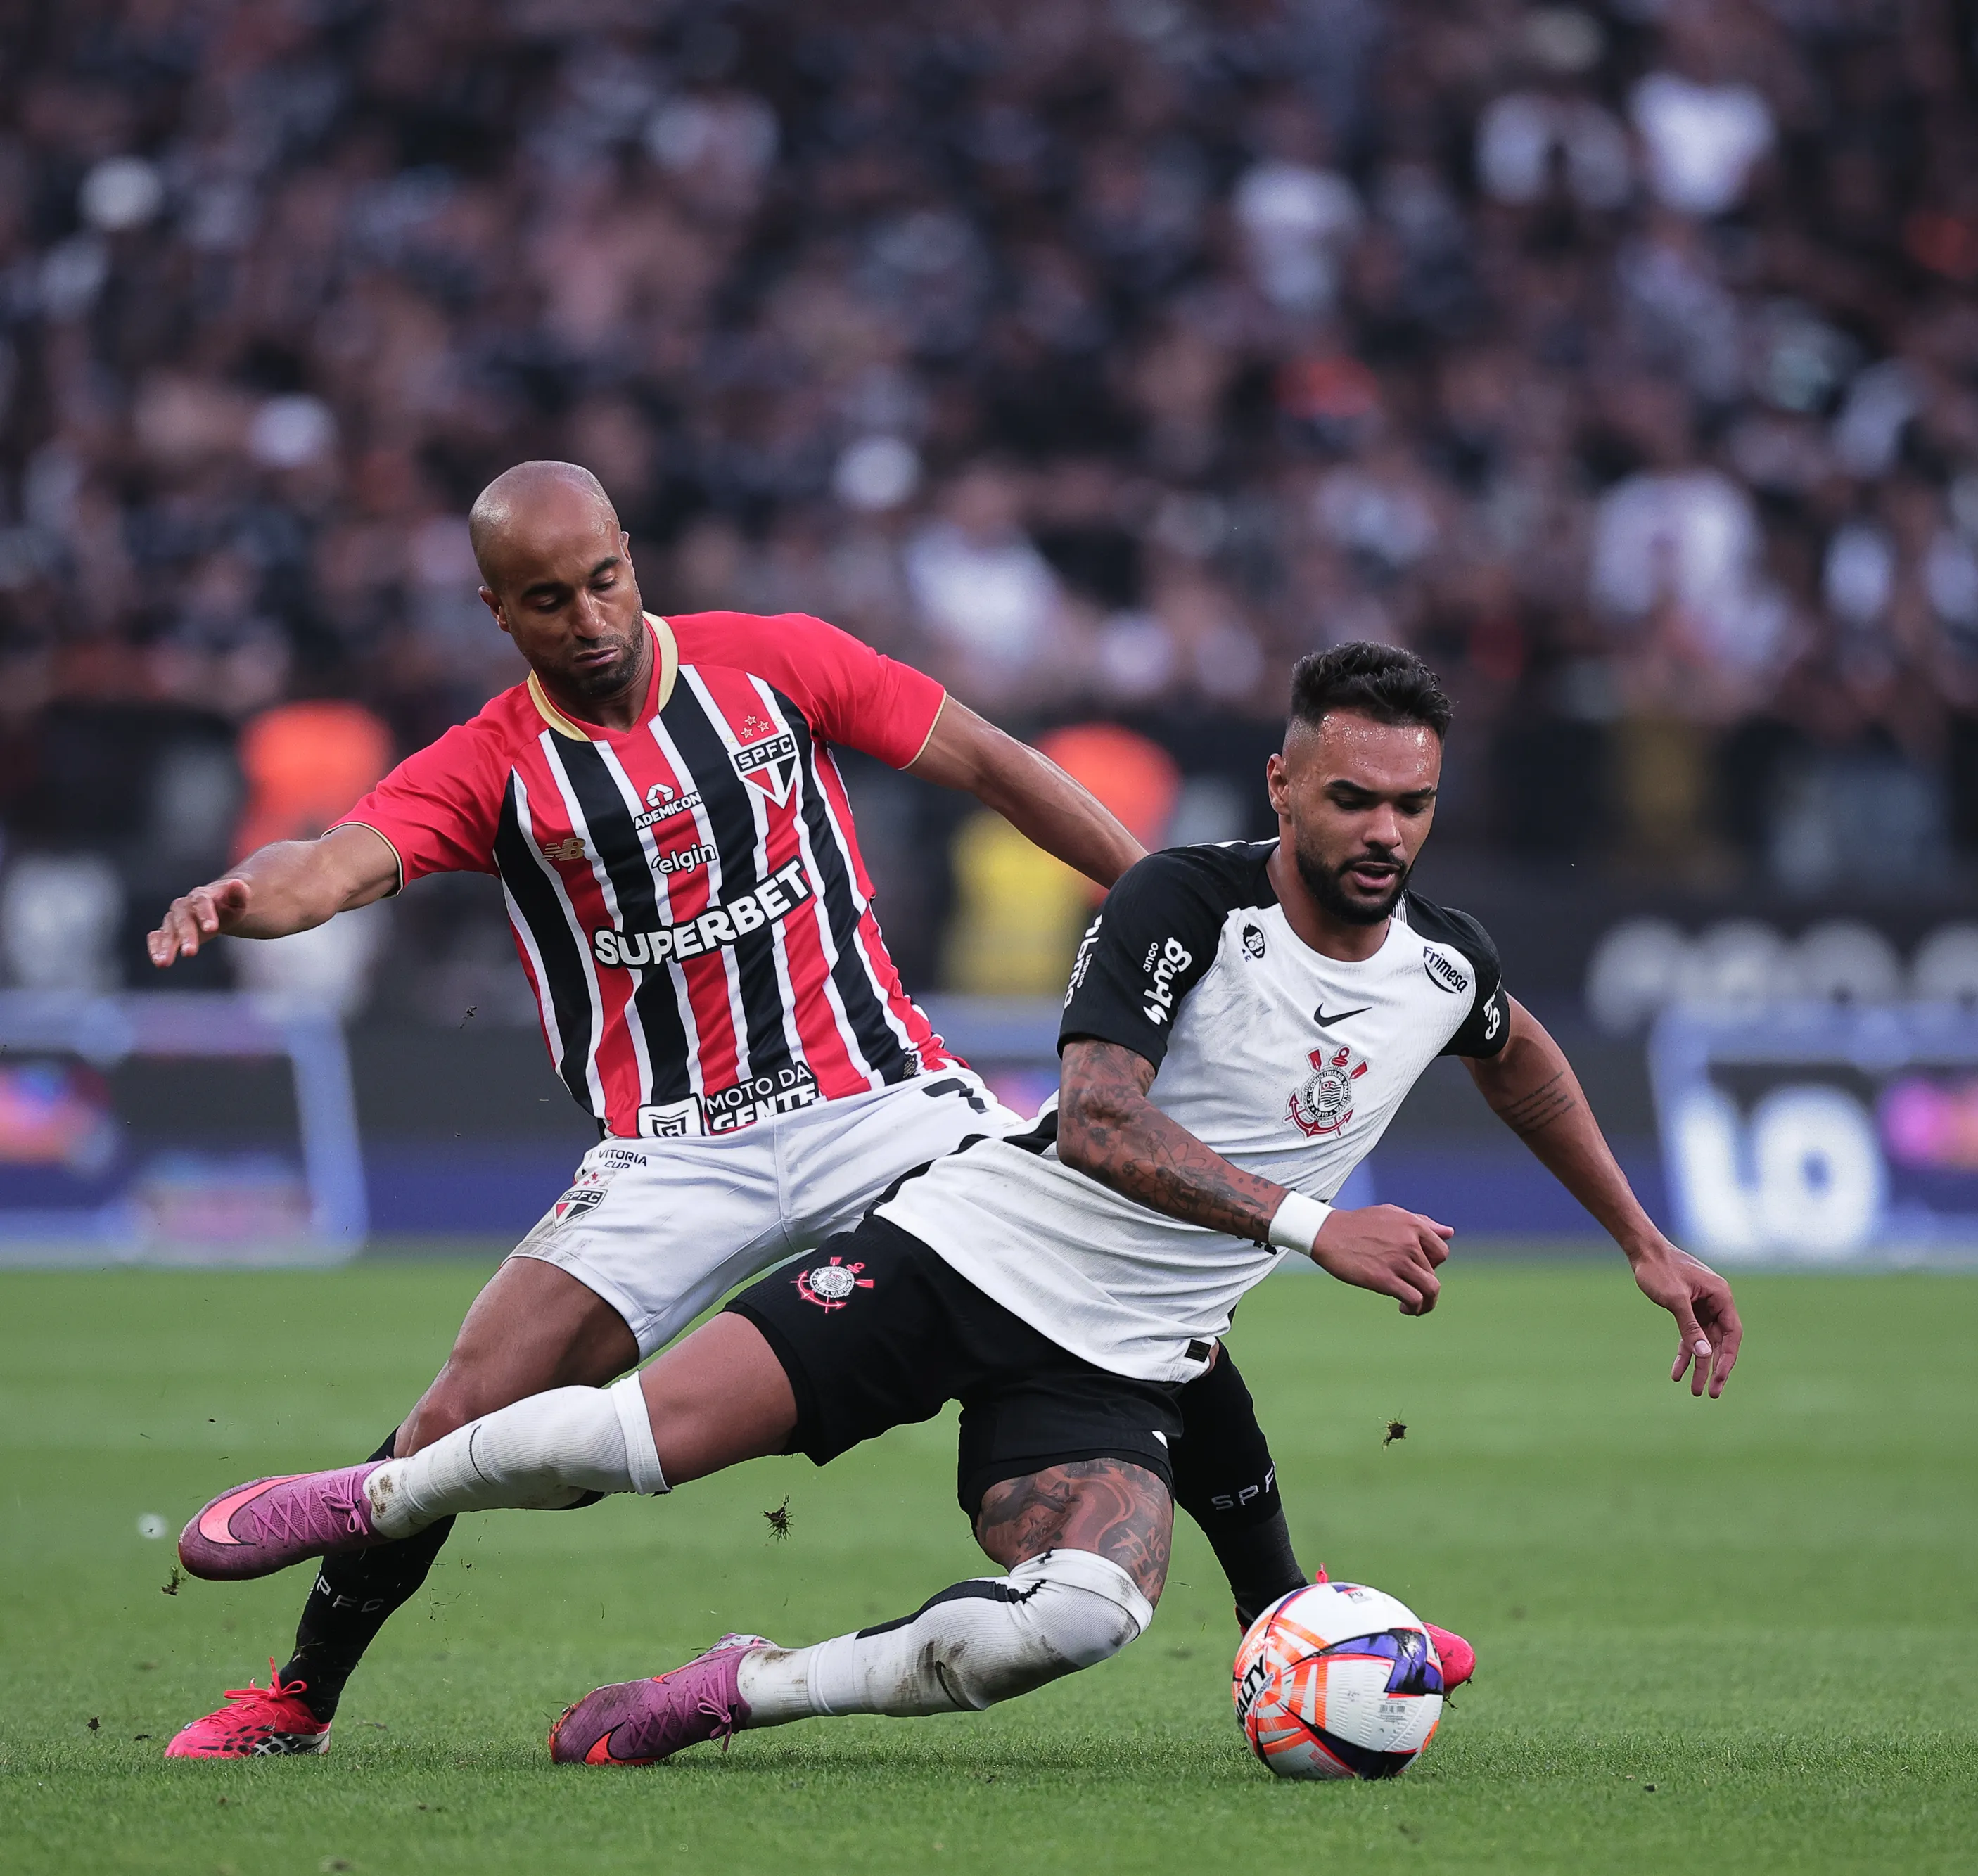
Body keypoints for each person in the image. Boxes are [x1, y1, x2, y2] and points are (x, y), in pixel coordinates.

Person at [175, 642, 1743, 1765]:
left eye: (1411, 804)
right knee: (613, 1446)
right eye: (1352, 798)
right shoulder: (1181, 903)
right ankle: (368, 1504)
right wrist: (1309, 1223)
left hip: (1089, 1350)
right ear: (1285, 783)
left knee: (1070, 1624)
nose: (1384, 833)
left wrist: (1644, 1239)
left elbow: (1516, 1049)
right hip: (948, 1250)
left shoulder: (1441, 958)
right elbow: (1100, 1122)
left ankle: (748, 1685)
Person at [144, 461, 1325, 1756]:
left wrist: (1182, 909)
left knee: (1135, 1283)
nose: (589, 619)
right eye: (549, 601)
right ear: (498, 611)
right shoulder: (493, 763)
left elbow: (995, 763)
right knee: (455, 1419)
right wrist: (243, 895)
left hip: (884, 1102)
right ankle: (297, 1699)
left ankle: (1286, 1612)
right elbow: (324, 863)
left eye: (604, 581)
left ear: (631, 555)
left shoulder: (773, 660)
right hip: (674, 1148)